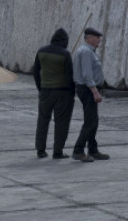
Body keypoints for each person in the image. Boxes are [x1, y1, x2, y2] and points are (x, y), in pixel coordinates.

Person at [33, 27, 75, 159]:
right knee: (61, 122)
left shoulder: (41, 51)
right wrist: (72, 94)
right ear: (64, 41)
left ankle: (40, 150)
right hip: (62, 93)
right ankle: (58, 152)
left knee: (43, 121)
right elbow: (70, 76)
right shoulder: (65, 54)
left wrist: (40, 88)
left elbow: (35, 72)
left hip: (45, 91)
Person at [72, 27, 109, 162]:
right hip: (88, 89)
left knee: (93, 121)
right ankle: (78, 150)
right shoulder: (86, 52)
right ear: (90, 38)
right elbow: (87, 74)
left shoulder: (86, 51)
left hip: (86, 88)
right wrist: (95, 91)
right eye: (97, 37)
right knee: (90, 122)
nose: (99, 40)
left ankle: (93, 150)